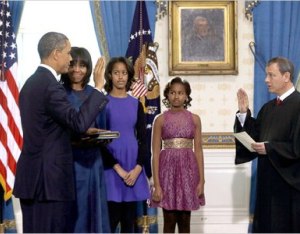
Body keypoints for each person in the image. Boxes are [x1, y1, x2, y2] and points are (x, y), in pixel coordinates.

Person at [12, 32, 108, 233]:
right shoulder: (51, 86)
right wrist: (98, 88)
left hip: (34, 179)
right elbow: (79, 123)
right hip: (49, 183)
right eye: (68, 53)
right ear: (56, 53)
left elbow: (46, 128)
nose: (71, 59)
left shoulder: (31, 83)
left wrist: (75, 130)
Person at [234, 56, 300, 233]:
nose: (266, 80)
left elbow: (297, 147)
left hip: (290, 187)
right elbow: (253, 136)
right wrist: (243, 113)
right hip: (267, 182)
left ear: (286, 76)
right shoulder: (268, 107)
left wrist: (270, 148)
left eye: (271, 75)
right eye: (266, 75)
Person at [60, 47, 110, 233]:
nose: (77, 70)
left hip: (94, 161)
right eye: (73, 64)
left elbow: (103, 125)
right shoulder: (59, 93)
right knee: (75, 213)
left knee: (94, 210)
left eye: (82, 65)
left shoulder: (95, 94)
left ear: (89, 68)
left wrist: (101, 136)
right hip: (70, 162)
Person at [151, 77, 205, 233]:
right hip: (167, 174)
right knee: (168, 222)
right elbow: (155, 153)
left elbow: (199, 151)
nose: (176, 96)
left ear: (186, 96)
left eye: (180, 93)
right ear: (167, 95)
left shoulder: (194, 119)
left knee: (184, 222)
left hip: (188, 174)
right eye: (172, 92)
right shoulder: (160, 120)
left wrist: (201, 181)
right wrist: (157, 184)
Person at [103, 57, 150, 233]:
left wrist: (138, 168)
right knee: (110, 221)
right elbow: (100, 142)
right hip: (112, 168)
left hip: (133, 168)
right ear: (109, 75)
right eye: (116, 73)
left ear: (129, 76)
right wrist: (118, 169)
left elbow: (143, 140)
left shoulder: (136, 104)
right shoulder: (103, 103)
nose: (120, 77)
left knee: (129, 224)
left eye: (124, 73)